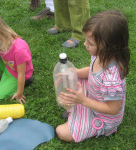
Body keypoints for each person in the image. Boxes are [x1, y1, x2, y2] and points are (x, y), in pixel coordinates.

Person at [56, 10, 130, 142]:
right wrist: (75, 73)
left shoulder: (112, 79)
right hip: (94, 96)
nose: (85, 44)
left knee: (62, 132)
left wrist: (83, 100)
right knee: (70, 79)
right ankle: (77, 112)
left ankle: (101, 128)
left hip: (103, 117)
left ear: (108, 47)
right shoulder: (99, 55)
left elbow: (112, 109)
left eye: (90, 43)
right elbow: (91, 72)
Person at [0, 10, 34, 104]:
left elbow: (21, 73)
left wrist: (19, 93)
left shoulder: (19, 49)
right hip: (8, 65)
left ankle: (27, 81)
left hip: (18, 73)